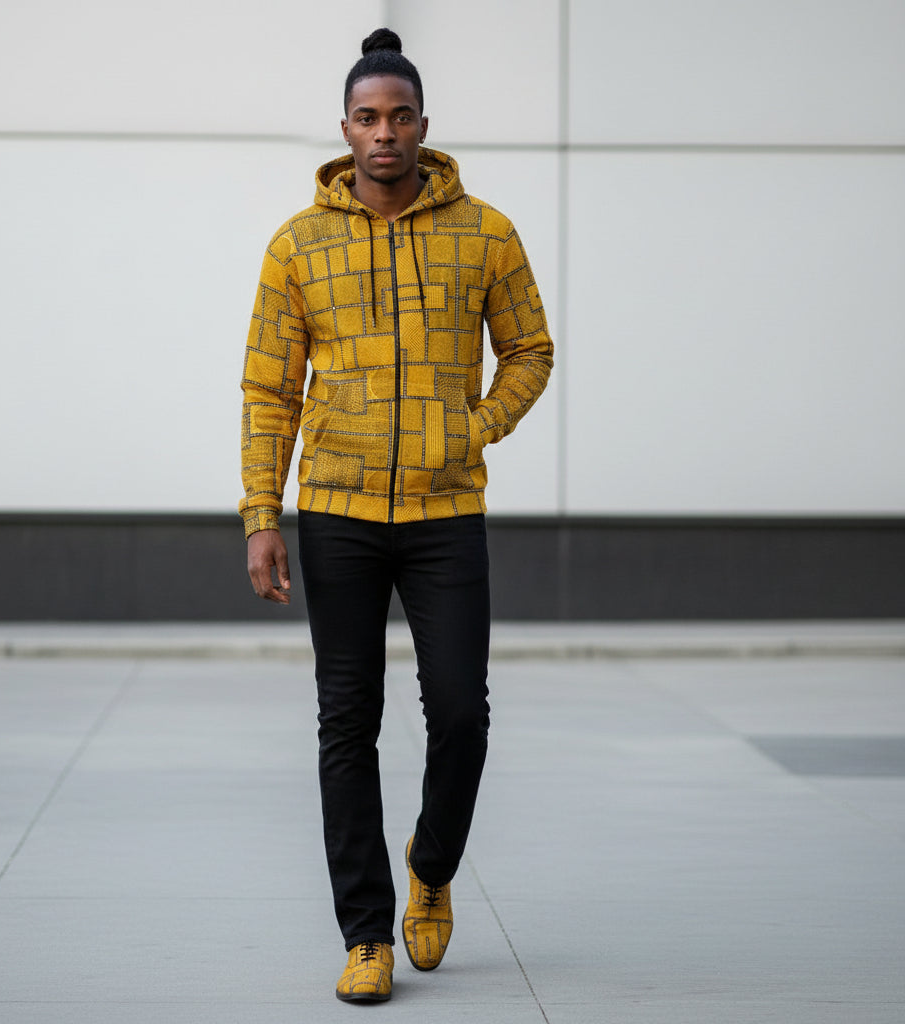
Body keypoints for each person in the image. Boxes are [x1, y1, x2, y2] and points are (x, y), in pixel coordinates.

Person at [240, 27, 553, 1003]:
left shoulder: (485, 232)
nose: (384, 133)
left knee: (460, 710)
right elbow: (267, 391)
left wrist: (475, 429)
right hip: (334, 513)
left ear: (423, 125)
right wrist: (261, 512)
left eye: (399, 116)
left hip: (444, 510)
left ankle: (430, 862)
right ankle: (367, 932)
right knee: (348, 721)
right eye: (367, 118)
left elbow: (531, 350)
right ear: (344, 128)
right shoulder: (297, 243)